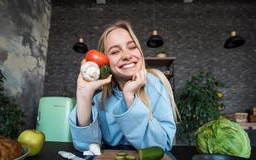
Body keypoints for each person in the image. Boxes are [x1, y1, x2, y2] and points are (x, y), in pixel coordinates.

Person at [69, 20, 180, 152]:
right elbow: (87, 146)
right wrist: (83, 96)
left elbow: (161, 145)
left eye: (132, 47)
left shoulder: (155, 85)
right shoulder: (100, 100)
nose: (127, 55)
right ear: (104, 63)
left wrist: (129, 98)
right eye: (115, 52)